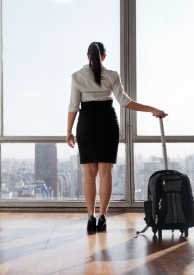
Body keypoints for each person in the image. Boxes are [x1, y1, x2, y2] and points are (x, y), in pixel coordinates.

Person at [66, 42, 167, 234]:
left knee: (89, 173)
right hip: (107, 123)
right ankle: (102, 217)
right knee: (106, 172)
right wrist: (152, 109)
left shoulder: (77, 76)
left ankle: (90, 217)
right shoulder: (112, 75)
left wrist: (68, 131)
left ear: (87, 55)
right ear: (104, 56)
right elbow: (125, 102)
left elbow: (73, 106)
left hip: (86, 123)